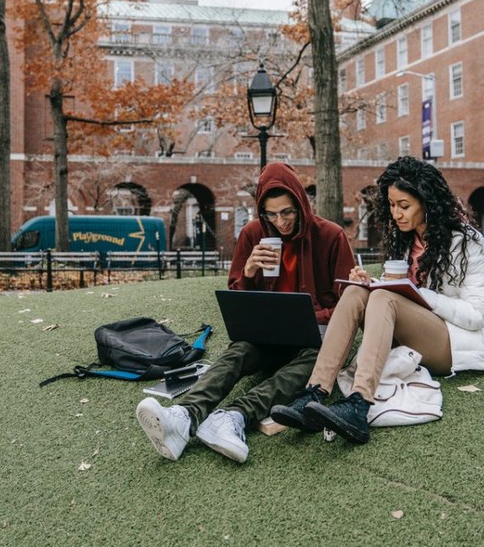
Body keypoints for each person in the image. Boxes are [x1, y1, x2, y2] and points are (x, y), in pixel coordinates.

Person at [135, 162, 355, 463]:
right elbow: (238, 299)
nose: (281, 221)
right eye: (271, 214)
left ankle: (234, 416)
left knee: (314, 361)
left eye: (288, 212)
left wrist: (312, 316)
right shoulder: (253, 234)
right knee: (238, 350)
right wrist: (249, 271)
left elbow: (348, 304)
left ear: (302, 204)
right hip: (267, 335)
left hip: (313, 337)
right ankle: (184, 416)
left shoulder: (331, 236)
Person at [271, 155, 484, 444]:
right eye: (392, 206)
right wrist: (372, 283)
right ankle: (314, 392)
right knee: (356, 292)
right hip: (410, 333)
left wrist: (415, 294)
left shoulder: (467, 243)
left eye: (404, 206)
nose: (396, 214)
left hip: (452, 342)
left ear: (428, 203)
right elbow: (401, 294)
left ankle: (359, 403)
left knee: (384, 299)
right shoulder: (405, 241)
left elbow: (477, 314)